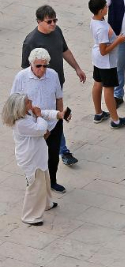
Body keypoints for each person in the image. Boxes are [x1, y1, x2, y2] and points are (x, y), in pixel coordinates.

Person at [21, 5, 86, 166]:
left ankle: (58, 148)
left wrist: (77, 68)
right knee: (49, 117)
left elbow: (64, 50)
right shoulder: (31, 41)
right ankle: (60, 150)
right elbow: (25, 69)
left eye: (55, 20)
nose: (53, 24)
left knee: (57, 116)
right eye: (49, 21)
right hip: (40, 89)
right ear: (39, 21)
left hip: (57, 84)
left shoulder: (57, 32)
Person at [11, 48, 67, 193]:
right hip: (33, 126)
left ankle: (52, 182)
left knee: (53, 157)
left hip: (53, 122)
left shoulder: (53, 75)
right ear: (31, 64)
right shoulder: (21, 77)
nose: (42, 69)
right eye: (38, 66)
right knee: (34, 159)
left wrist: (60, 117)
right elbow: (14, 103)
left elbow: (58, 98)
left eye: (45, 66)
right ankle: (33, 184)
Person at [2, 93, 64, 226]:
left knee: (45, 181)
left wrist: (57, 114)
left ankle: (47, 203)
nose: (31, 102)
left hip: (38, 155)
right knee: (35, 186)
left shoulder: (27, 114)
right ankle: (30, 216)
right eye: (27, 101)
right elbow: (41, 129)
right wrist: (39, 115)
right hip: (31, 159)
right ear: (21, 107)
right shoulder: (20, 124)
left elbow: (43, 112)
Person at [89, 0, 125, 128]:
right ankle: (116, 120)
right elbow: (104, 51)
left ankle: (98, 113)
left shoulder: (95, 20)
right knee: (108, 89)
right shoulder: (102, 28)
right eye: (105, 7)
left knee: (97, 83)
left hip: (97, 59)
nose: (107, 8)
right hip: (106, 63)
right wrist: (118, 40)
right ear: (101, 10)